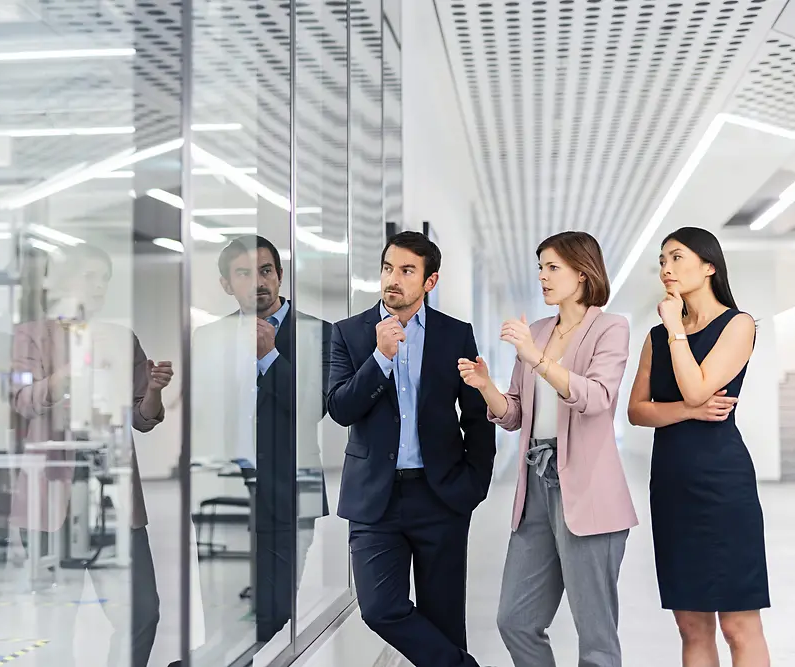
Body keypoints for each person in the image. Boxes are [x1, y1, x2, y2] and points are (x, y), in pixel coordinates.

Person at [459, 230, 636, 667]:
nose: (542, 276)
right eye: (540, 267)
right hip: (534, 488)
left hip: (588, 492)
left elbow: (595, 398)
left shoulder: (610, 328)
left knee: (595, 637)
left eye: (552, 267)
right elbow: (515, 414)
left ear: (582, 272)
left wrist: (536, 357)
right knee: (515, 620)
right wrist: (486, 388)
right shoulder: (538, 330)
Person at [328, 231, 495, 667]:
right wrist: (380, 358)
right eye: (388, 268)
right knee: (380, 607)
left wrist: (474, 483)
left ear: (430, 281)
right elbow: (340, 409)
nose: (393, 279)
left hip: (440, 495)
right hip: (373, 499)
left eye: (406, 271)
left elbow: (475, 414)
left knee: (443, 619)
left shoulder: (455, 335)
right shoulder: (349, 334)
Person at [10, 243, 169, 667]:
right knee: (57, 620)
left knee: (143, 611)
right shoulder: (30, 335)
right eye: (89, 276)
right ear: (62, 281)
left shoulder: (120, 337)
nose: (98, 287)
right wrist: (69, 373)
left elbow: (144, 417)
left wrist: (153, 389)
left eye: (104, 279)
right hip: (51, 501)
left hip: (113, 498)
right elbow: (23, 400)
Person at [627, 227, 770, 667]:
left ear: (709, 266)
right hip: (671, 482)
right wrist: (687, 413)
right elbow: (637, 410)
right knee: (690, 625)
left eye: (676, 258)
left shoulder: (738, 324)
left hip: (723, 482)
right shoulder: (655, 337)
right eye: (662, 261)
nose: (666, 269)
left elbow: (695, 388)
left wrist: (675, 328)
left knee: (737, 624)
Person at [190, 235, 331, 643]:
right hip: (221, 491)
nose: (258, 282)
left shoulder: (318, 333)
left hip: (286, 491)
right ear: (226, 284)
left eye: (266, 271)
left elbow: (313, 408)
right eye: (244, 274)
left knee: (272, 613)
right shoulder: (209, 337)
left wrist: (269, 355)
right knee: (220, 610)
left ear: (281, 275)